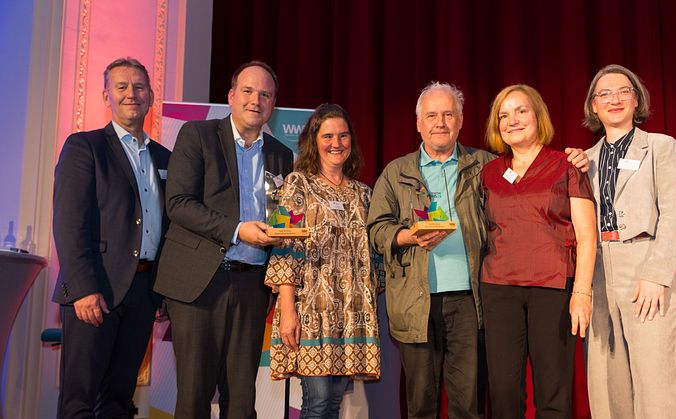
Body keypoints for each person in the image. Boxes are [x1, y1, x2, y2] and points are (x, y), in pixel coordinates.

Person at [367, 82, 589, 419]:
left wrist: (578, 157)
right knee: (423, 403)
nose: (440, 122)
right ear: (418, 123)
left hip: (473, 301)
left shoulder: (482, 165)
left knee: (469, 404)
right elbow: (377, 228)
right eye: (431, 115)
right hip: (418, 302)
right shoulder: (397, 173)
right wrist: (407, 236)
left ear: (460, 121)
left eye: (448, 115)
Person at [154, 61, 294, 418]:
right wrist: (237, 230)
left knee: (242, 400)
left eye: (265, 94)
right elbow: (180, 204)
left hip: (251, 286)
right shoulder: (198, 135)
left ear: (273, 104)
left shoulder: (281, 154)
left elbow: (282, 216)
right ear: (231, 97)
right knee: (194, 396)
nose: (255, 100)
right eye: (247, 91)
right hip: (199, 283)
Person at [52, 57, 170, 418]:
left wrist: (163, 289)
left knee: (119, 399)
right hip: (96, 290)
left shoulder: (163, 156)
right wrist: (85, 288)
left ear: (150, 97)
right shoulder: (84, 147)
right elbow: (69, 225)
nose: (131, 94)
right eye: (122, 87)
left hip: (143, 291)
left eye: (138, 87)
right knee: (80, 401)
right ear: (107, 97)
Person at [480, 84, 596, 418]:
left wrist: (582, 293)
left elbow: (588, 236)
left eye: (520, 111)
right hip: (499, 290)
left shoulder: (567, 165)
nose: (512, 120)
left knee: (553, 391)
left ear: (537, 116)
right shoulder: (488, 173)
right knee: (502, 392)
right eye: (503, 115)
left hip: (554, 290)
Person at [264, 103, 383, 418]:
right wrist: (286, 308)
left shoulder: (364, 194)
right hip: (310, 313)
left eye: (343, 136)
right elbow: (284, 248)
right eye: (328, 135)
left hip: (352, 315)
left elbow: (374, 257)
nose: (336, 143)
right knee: (316, 403)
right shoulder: (296, 185)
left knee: (332, 404)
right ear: (313, 141)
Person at [583, 64, 676, 418]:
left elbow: (673, 214)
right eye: (605, 94)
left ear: (636, 98)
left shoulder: (660, 147)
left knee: (654, 384)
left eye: (623, 91)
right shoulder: (585, 161)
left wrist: (657, 274)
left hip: (644, 265)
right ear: (593, 106)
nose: (614, 99)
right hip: (598, 271)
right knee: (607, 385)